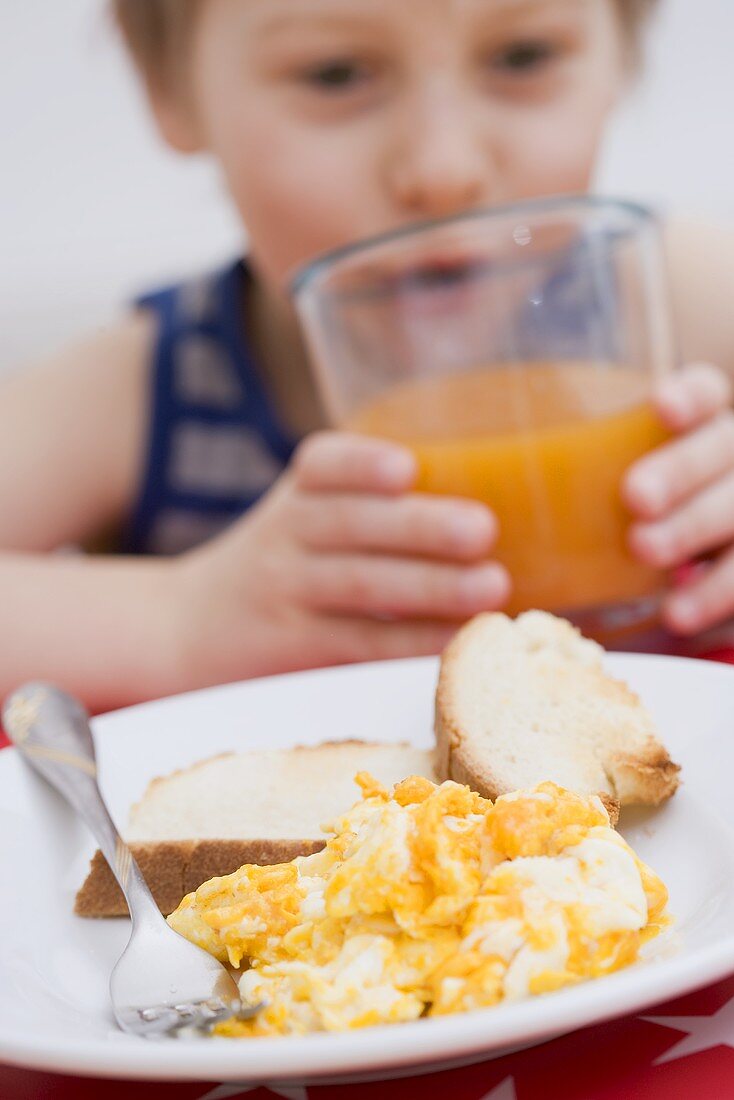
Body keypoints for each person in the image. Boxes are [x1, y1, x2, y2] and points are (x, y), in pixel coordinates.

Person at [2, 0, 734, 711]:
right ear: (169, 88)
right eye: (336, 73)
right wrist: (177, 622)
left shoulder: (682, 304)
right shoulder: (150, 383)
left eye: (523, 56)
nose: (444, 170)